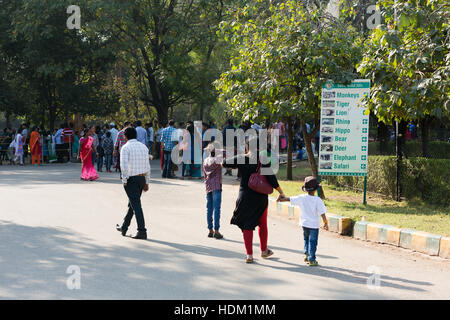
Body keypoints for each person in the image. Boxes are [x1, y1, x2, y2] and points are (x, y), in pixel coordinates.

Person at [223, 137, 286, 263]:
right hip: (260, 197)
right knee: (262, 223)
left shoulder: (242, 158)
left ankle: (249, 255)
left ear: (247, 147)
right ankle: (263, 251)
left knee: (247, 224)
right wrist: (281, 192)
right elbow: (271, 177)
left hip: (245, 196)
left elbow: (225, 163)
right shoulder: (263, 160)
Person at [277, 176, 328, 266]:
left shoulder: (302, 198)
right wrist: (325, 223)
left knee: (306, 239)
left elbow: (290, 199)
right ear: (316, 189)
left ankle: (307, 254)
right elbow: (322, 213)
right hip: (314, 226)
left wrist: (281, 198)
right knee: (313, 241)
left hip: (304, 224)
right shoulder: (318, 200)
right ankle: (312, 259)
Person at [116, 127, 151, 240]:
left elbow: (124, 166)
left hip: (131, 179)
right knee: (133, 203)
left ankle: (142, 231)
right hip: (141, 178)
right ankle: (124, 227)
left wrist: (124, 180)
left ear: (125, 136)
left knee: (136, 205)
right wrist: (147, 181)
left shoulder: (125, 148)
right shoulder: (143, 147)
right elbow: (147, 166)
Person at [203, 143, 224, 239]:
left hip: (208, 186)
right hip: (216, 186)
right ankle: (217, 230)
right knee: (217, 209)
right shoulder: (218, 160)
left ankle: (210, 230)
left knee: (209, 209)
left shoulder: (206, 161)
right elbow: (226, 154)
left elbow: (204, 175)